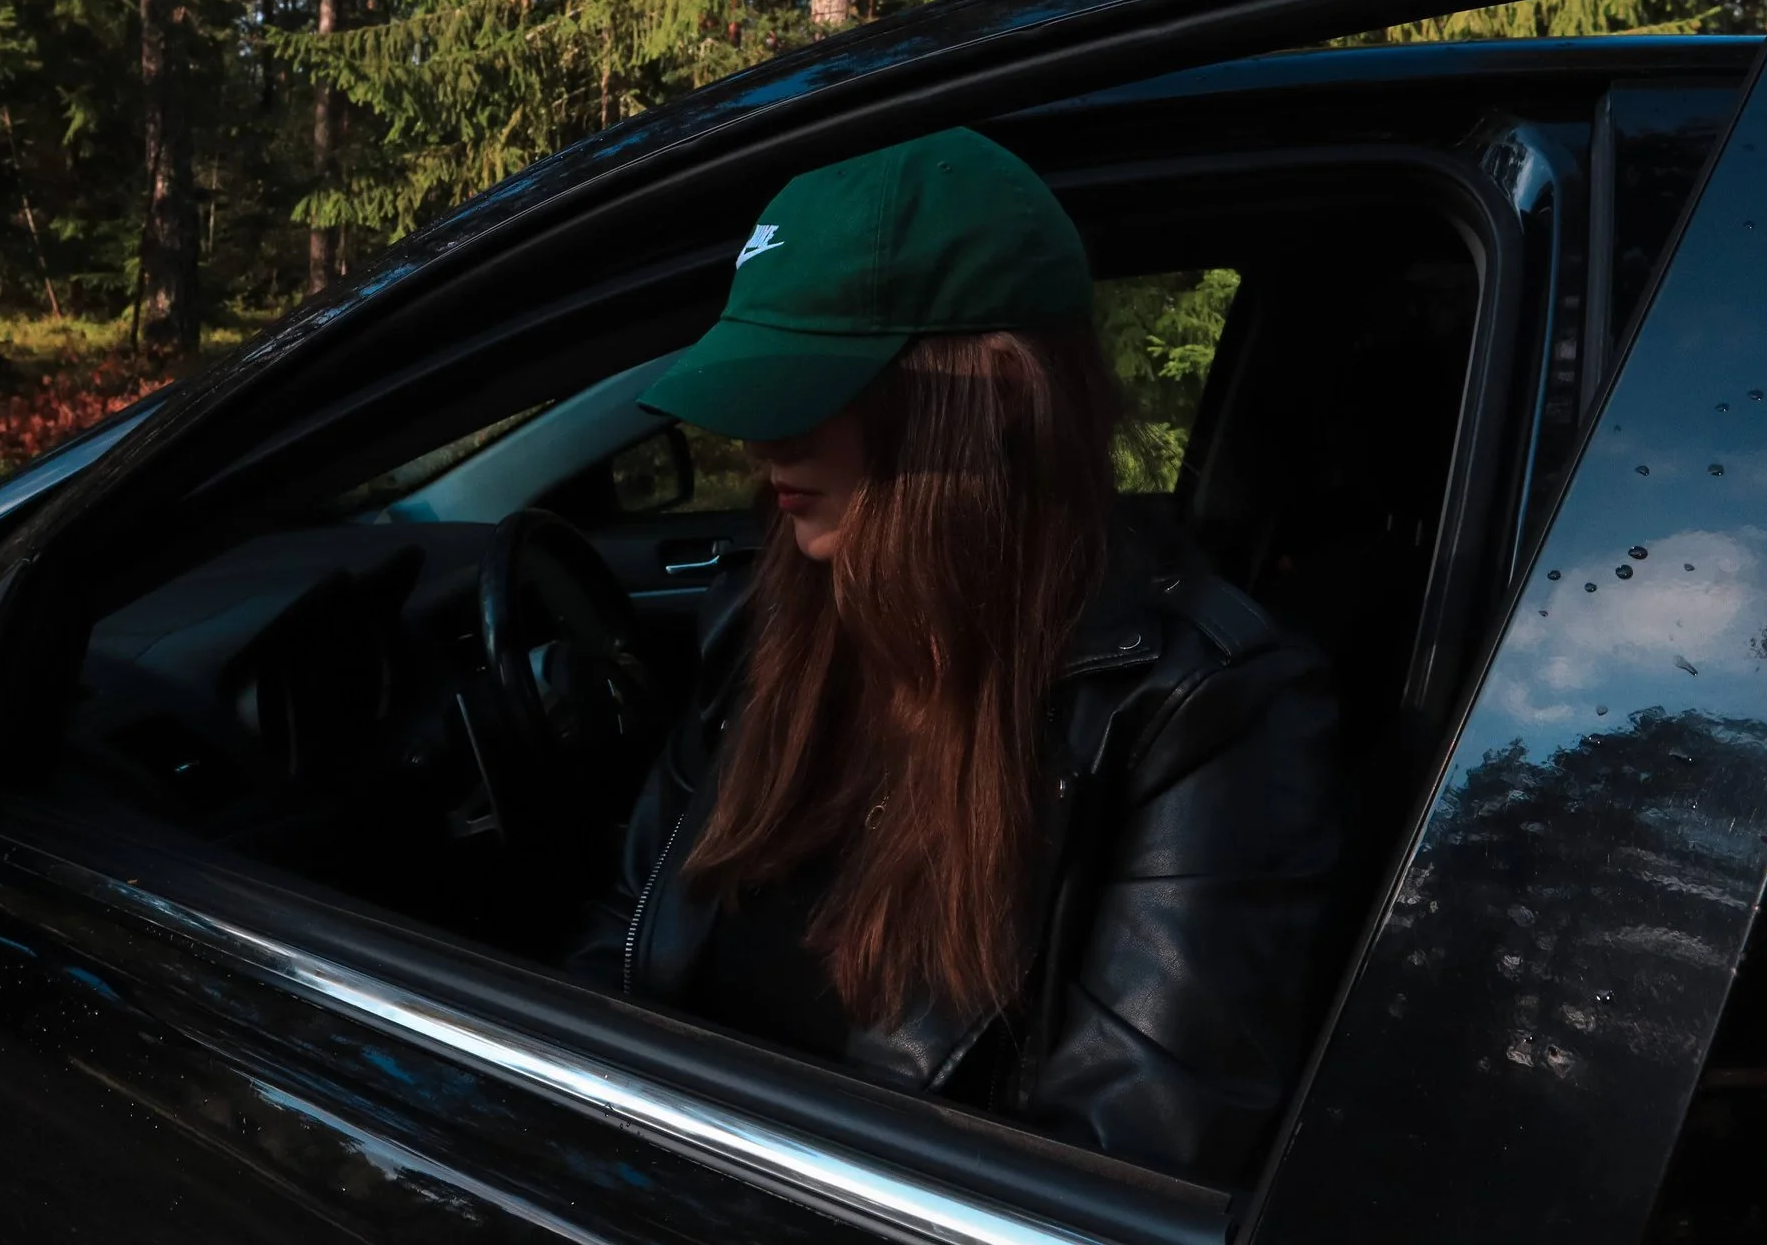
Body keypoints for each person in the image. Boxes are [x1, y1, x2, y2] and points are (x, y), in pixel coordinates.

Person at [570, 128, 1342, 1184]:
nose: (761, 443)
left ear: (998, 398)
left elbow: (1107, 1176)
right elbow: (620, 934)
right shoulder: (765, 617)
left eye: (808, 390)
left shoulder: (1199, 714)